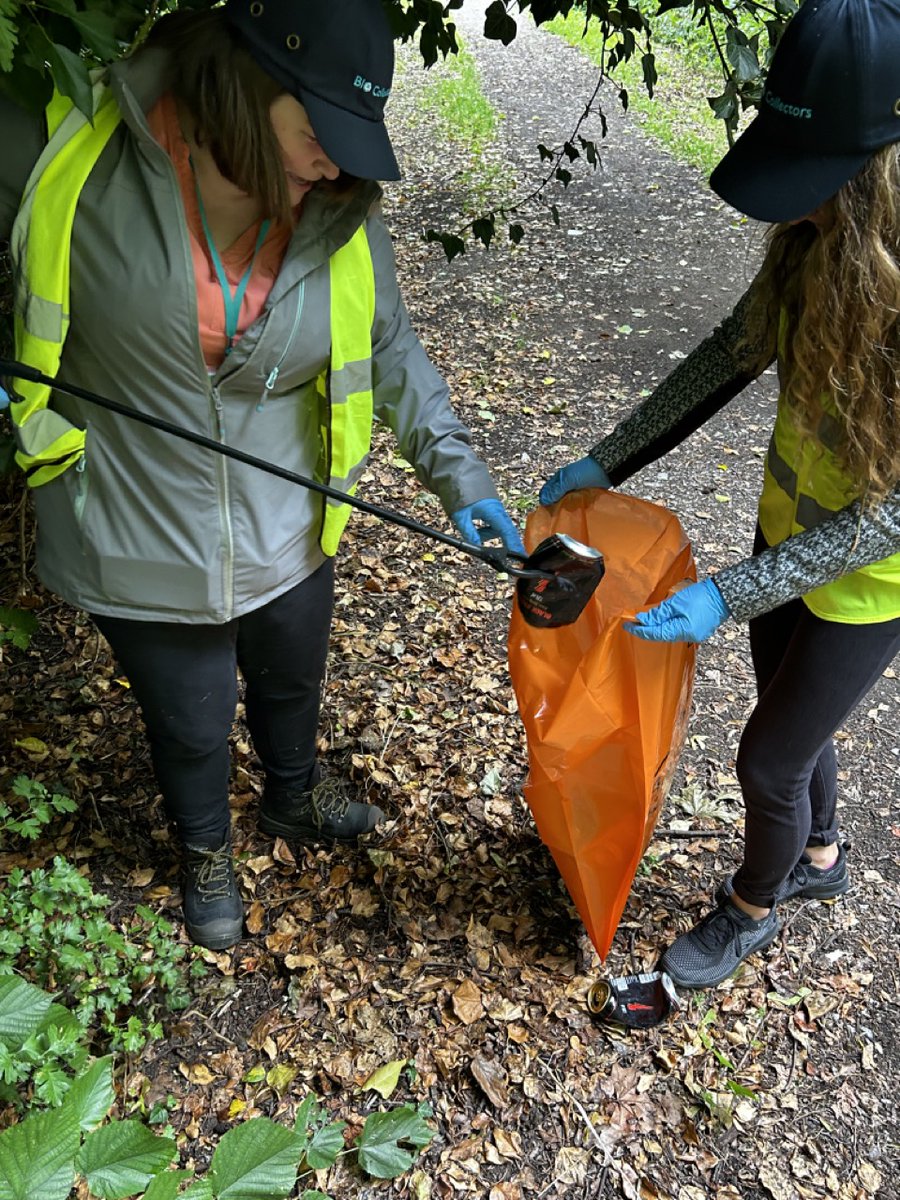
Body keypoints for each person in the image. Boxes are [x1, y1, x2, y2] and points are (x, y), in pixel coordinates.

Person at [0, 0, 525, 950]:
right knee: (191, 721)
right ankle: (204, 851)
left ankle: (292, 795)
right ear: (246, 79)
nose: (336, 162)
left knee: (291, 678)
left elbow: (393, 354)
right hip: (132, 517)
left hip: (290, 515)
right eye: (318, 130)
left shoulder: (339, 210)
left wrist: (468, 485)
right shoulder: (73, 149)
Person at [541, 0, 900, 990]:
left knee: (767, 761)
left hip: (871, 584)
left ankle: (751, 909)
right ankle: (819, 858)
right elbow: (725, 359)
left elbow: (894, 513)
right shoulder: (812, 244)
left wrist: (727, 594)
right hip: (787, 533)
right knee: (793, 717)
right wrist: (608, 460)